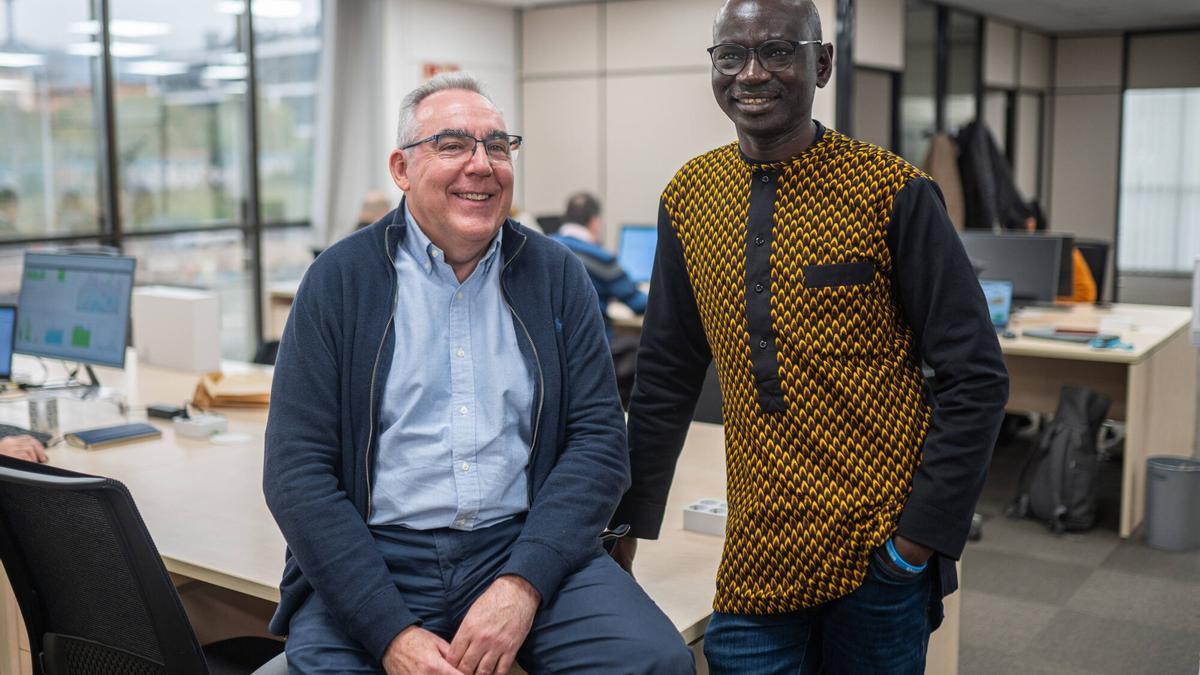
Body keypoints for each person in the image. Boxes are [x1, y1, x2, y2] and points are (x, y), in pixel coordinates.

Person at [609, 1, 1009, 672]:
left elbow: (978, 376)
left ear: (821, 63)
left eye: (778, 51)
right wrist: (629, 521)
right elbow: (666, 376)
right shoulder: (689, 195)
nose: (752, 73)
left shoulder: (894, 191)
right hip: (758, 550)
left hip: (876, 547)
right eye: (731, 55)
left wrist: (915, 543)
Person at [263, 72, 691, 675]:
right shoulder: (338, 281)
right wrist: (391, 634)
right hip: (380, 554)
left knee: (653, 660)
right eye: (453, 145)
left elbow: (598, 443)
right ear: (402, 169)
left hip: (519, 541)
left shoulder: (557, 275)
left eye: (497, 146)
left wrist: (522, 584)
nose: (482, 165)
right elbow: (296, 473)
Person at [551, 192, 648, 327]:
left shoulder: (545, 249)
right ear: (594, 221)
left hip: (550, 342)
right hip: (592, 342)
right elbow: (638, 303)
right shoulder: (602, 259)